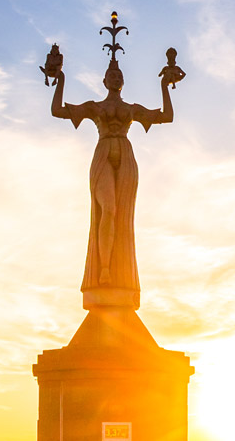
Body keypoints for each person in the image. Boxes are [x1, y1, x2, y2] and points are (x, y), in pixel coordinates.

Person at [48, 59, 176, 301]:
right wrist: (60, 79)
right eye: (111, 75)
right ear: (104, 81)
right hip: (103, 153)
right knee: (108, 210)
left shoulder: (131, 109)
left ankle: (121, 272)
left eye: (119, 75)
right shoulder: (95, 108)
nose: (115, 78)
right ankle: (104, 269)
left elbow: (167, 116)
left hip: (126, 157)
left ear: (123, 81)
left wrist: (165, 85)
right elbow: (57, 111)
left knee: (122, 216)